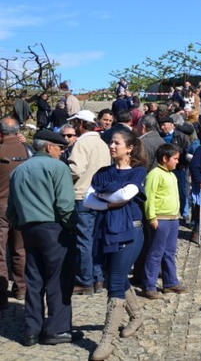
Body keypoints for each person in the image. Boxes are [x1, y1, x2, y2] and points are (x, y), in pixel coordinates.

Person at [7, 129, 81, 346]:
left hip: (28, 229)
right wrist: (73, 227)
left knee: (34, 279)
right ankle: (57, 329)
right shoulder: (57, 167)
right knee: (58, 279)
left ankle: (32, 330)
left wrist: (21, 224)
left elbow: (11, 210)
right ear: (50, 147)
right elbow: (65, 206)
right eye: (60, 149)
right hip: (54, 228)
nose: (61, 153)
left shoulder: (18, 171)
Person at [83, 129, 147, 360]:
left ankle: (107, 339)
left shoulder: (138, 172)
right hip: (106, 231)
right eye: (110, 142)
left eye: (116, 143)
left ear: (129, 148)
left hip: (130, 232)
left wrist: (103, 197)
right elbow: (88, 199)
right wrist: (108, 201)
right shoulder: (102, 173)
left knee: (116, 282)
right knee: (114, 277)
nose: (111, 146)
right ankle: (137, 316)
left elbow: (125, 195)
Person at [67, 109, 111, 296]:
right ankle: (98, 278)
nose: (74, 126)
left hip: (82, 195)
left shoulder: (81, 143)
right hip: (99, 196)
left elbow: (75, 170)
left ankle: (85, 281)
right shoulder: (102, 143)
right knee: (95, 240)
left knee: (83, 240)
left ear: (82, 124)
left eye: (76, 123)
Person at [142, 143, 189, 299]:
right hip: (160, 219)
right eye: (174, 158)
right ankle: (149, 285)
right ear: (164, 158)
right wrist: (151, 217)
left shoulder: (171, 174)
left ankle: (170, 282)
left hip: (172, 218)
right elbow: (148, 197)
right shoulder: (155, 174)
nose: (177, 161)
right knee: (156, 253)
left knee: (169, 252)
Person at [0, 117, 30, 309]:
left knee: (0, 253)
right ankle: (21, 288)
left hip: (1, 206)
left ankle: (1, 295)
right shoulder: (28, 151)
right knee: (20, 250)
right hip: (22, 206)